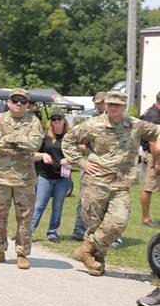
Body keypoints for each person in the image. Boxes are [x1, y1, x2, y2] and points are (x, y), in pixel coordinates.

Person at [63, 90, 160, 277]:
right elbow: (68, 141)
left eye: (117, 104)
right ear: (105, 105)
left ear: (124, 106)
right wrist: (82, 163)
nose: (113, 107)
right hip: (95, 183)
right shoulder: (92, 125)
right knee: (95, 225)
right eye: (110, 104)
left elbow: (157, 130)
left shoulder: (135, 125)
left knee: (118, 223)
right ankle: (96, 263)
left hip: (121, 185)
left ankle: (84, 250)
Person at [0, 88, 44, 269]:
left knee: (25, 218)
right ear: (8, 102)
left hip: (25, 180)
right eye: (15, 100)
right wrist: (21, 143)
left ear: (28, 105)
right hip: (1, 179)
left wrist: (8, 139)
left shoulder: (33, 121)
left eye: (23, 101)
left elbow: (35, 143)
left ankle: (22, 253)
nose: (19, 104)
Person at [31, 110, 71, 243]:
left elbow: (78, 155)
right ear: (51, 122)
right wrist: (43, 155)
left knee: (57, 206)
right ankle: (28, 232)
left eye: (59, 118)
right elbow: (33, 154)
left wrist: (70, 159)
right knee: (39, 205)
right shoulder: (45, 137)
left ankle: (52, 233)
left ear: (64, 120)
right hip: (46, 176)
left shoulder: (69, 137)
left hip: (63, 178)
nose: (56, 121)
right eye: (53, 119)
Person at [71, 91, 107, 240]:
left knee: (109, 201)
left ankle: (110, 236)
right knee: (84, 199)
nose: (99, 106)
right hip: (90, 165)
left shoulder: (117, 121)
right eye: (97, 103)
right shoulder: (90, 120)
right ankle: (79, 231)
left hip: (110, 167)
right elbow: (76, 142)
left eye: (101, 102)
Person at [139, 90, 160, 228]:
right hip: (153, 155)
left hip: (152, 153)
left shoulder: (149, 111)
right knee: (149, 187)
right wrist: (158, 162)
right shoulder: (155, 116)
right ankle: (146, 219)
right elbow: (153, 143)